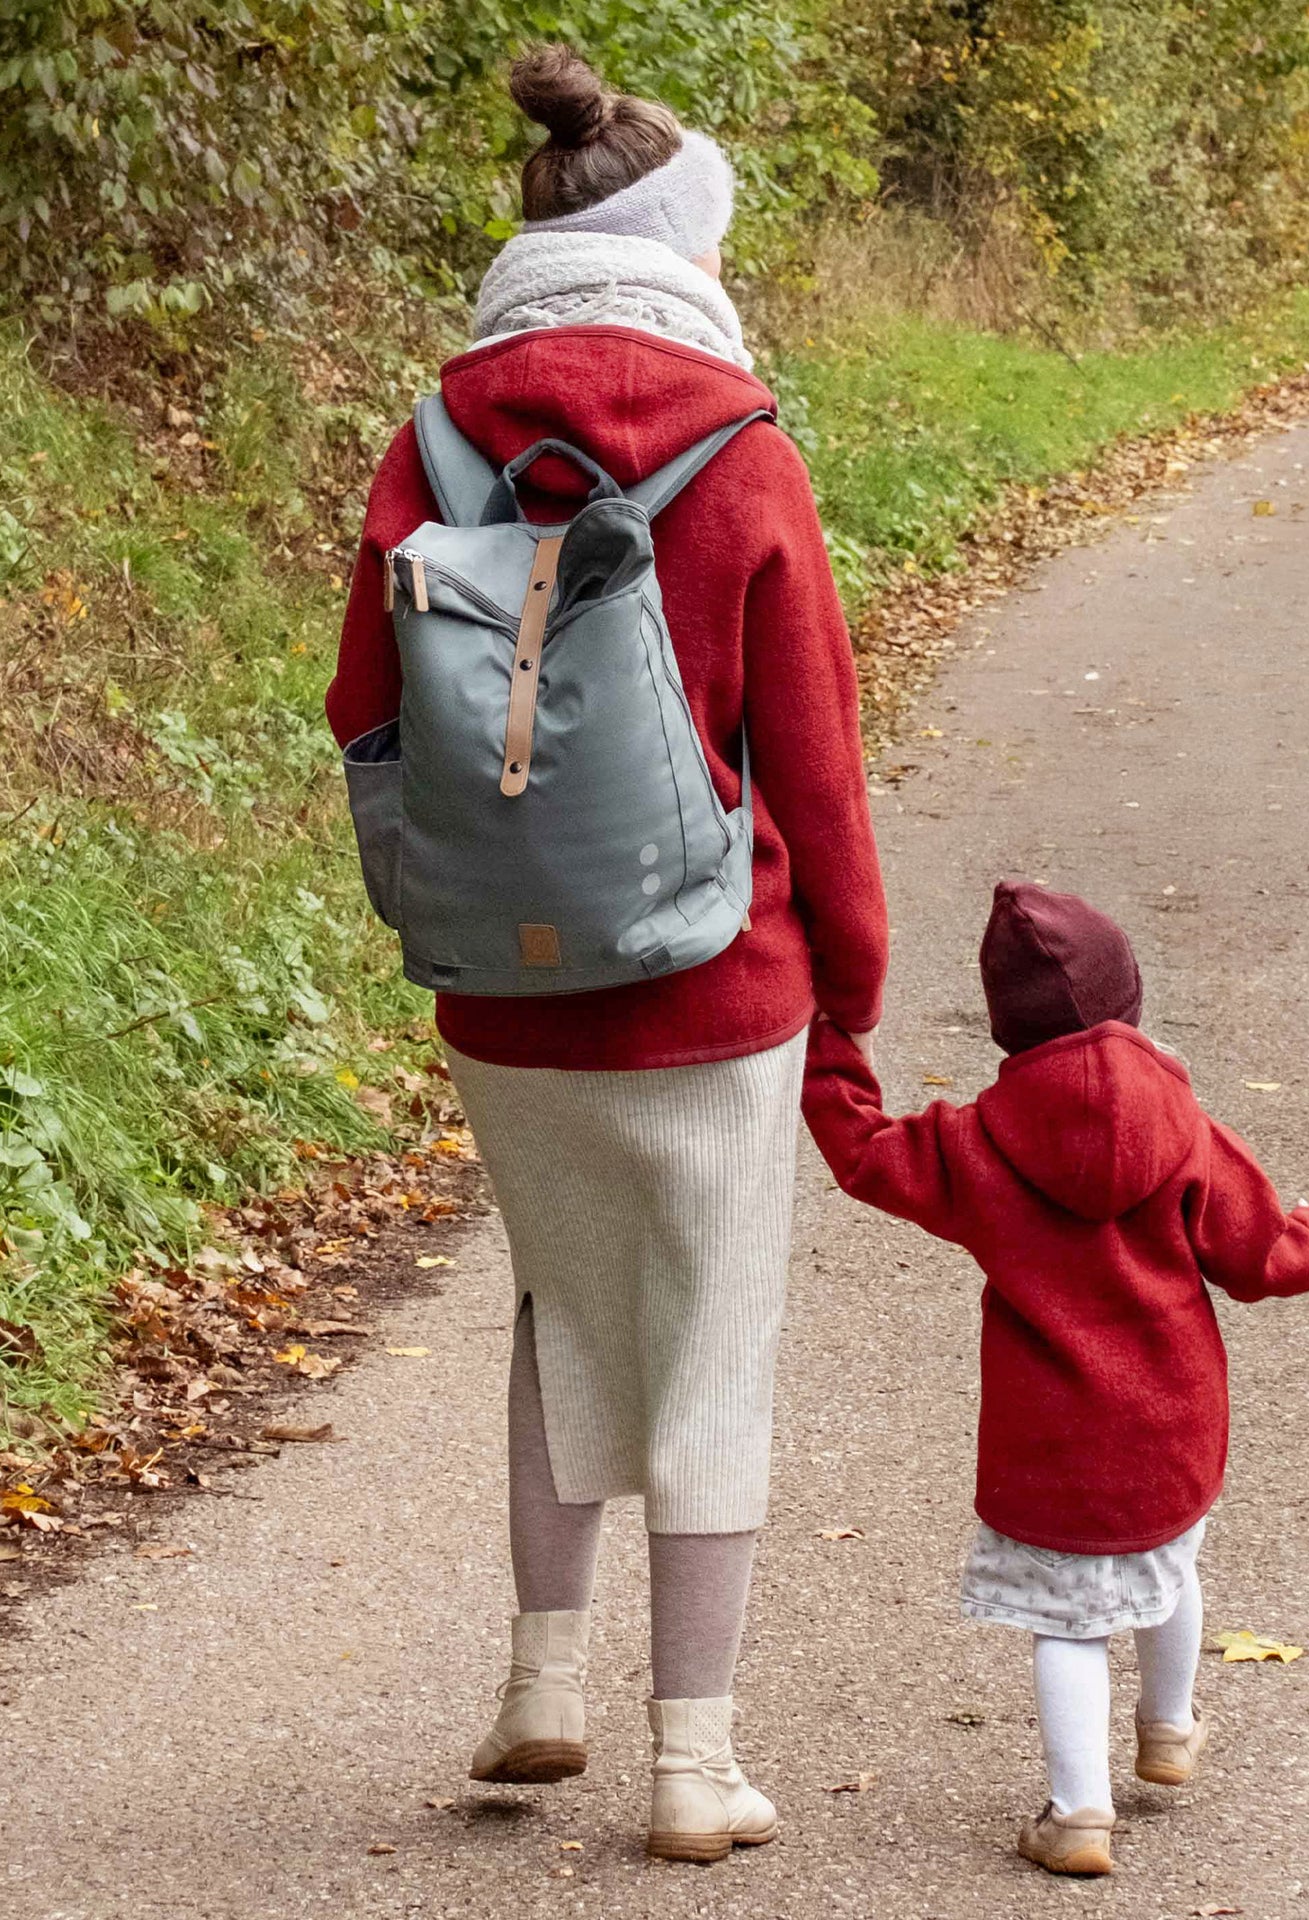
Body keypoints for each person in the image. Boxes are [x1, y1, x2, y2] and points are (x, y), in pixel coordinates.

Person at [327, 45, 887, 1864]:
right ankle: (691, 1767)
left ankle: (540, 1684)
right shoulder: (743, 448)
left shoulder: (429, 448)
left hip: (500, 992)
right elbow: (814, 760)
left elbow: (363, 714)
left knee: (562, 1305)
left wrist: (449, 914)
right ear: (689, 247)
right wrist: (852, 999)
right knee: (709, 1339)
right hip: (716, 992)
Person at [802, 881, 1309, 1876]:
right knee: (1165, 1564)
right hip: (1172, 1424)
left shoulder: (970, 1143)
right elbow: (1266, 1255)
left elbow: (861, 1149)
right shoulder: (1183, 1126)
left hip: (1045, 1439)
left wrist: (828, 1039)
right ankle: (1170, 1727)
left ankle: (1077, 1813)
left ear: (1008, 1029)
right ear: (1128, 1005)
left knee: (1066, 1624)